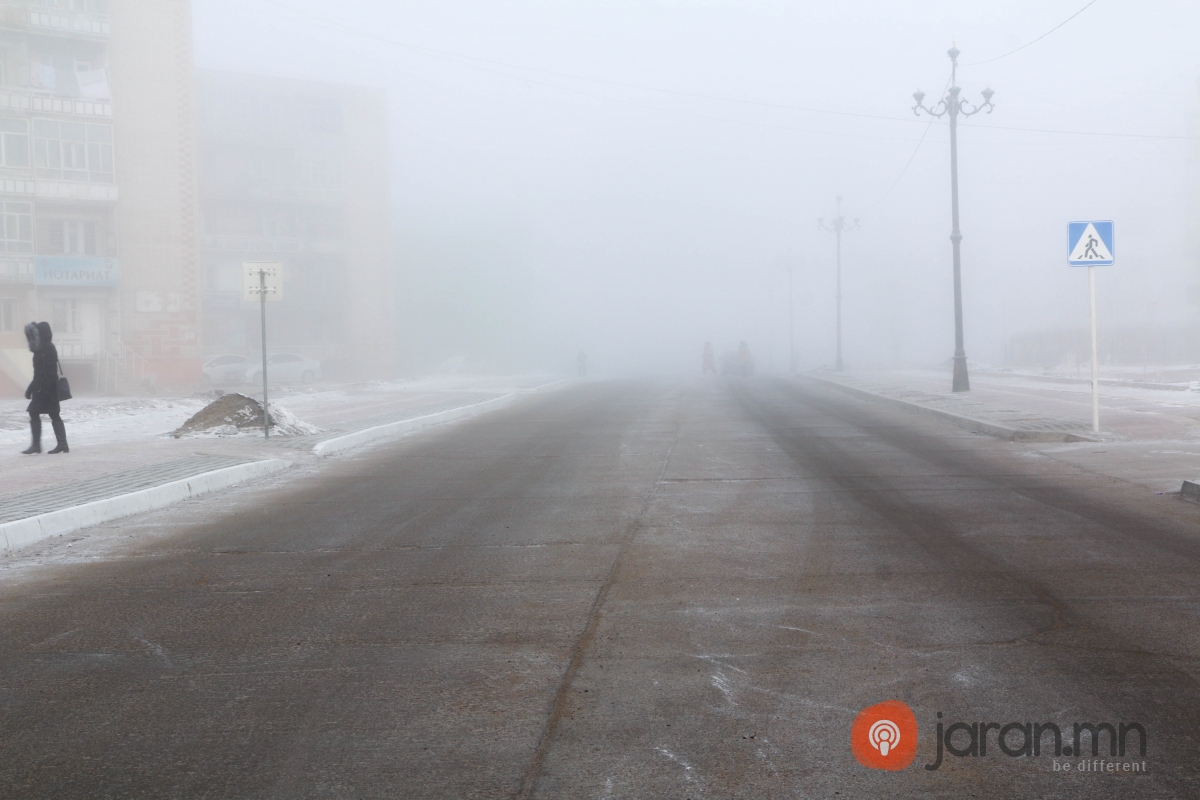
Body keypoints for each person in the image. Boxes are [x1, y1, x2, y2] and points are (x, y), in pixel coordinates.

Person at [23, 321, 68, 454]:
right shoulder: (39, 350)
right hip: (40, 388)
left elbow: (50, 372)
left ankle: (61, 444)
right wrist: (30, 388)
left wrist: (46, 391)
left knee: (53, 414)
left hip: (48, 388)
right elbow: (38, 373)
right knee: (36, 412)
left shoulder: (48, 348)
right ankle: (39, 445)